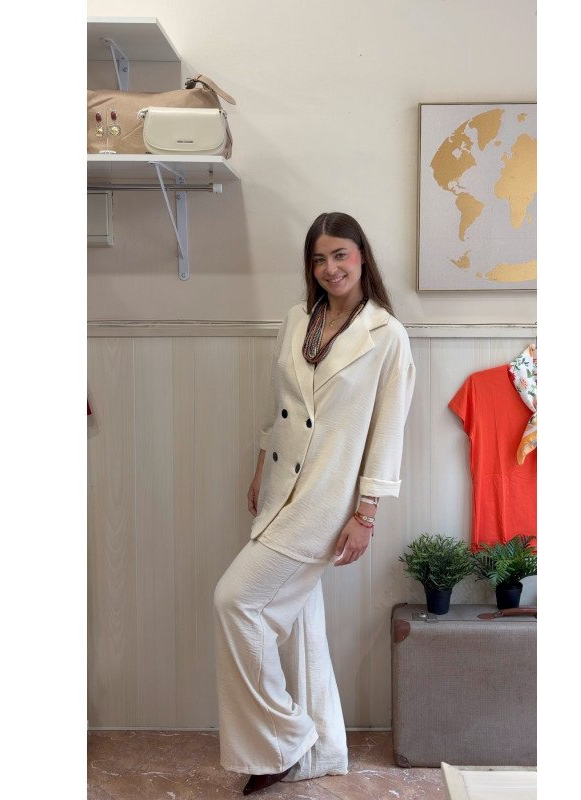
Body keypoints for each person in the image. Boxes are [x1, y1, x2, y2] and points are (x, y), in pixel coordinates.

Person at [213, 211, 416, 795]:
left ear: (361, 256)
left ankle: (284, 738)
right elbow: (277, 405)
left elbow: (387, 433)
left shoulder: (386, 336)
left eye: (340, 255)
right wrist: (261, 468)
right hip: (279, 487)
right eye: (319, 259)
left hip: (326, 500)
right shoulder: (298, 318)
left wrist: (366, 513)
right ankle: (322, 749)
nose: (330, 268)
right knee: (302, 624)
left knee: (235, 601)